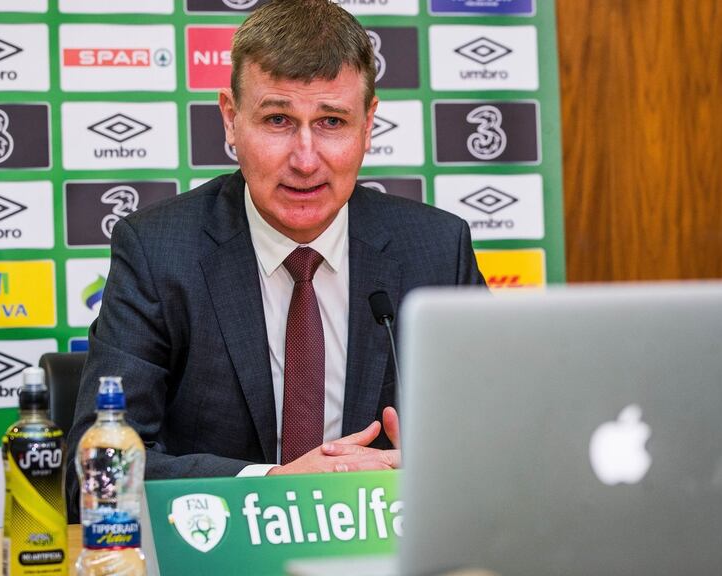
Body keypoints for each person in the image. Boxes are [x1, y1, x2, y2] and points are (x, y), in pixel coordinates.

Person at [65, 0, 485, 520]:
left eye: (332, 121)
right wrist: (273, 485)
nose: (306, 159)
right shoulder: (158, 251)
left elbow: (504, 446)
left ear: (368, 124)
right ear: (231, 120)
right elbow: (96, 470)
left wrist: (434, 467)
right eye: (278, 119)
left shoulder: (436, 250)